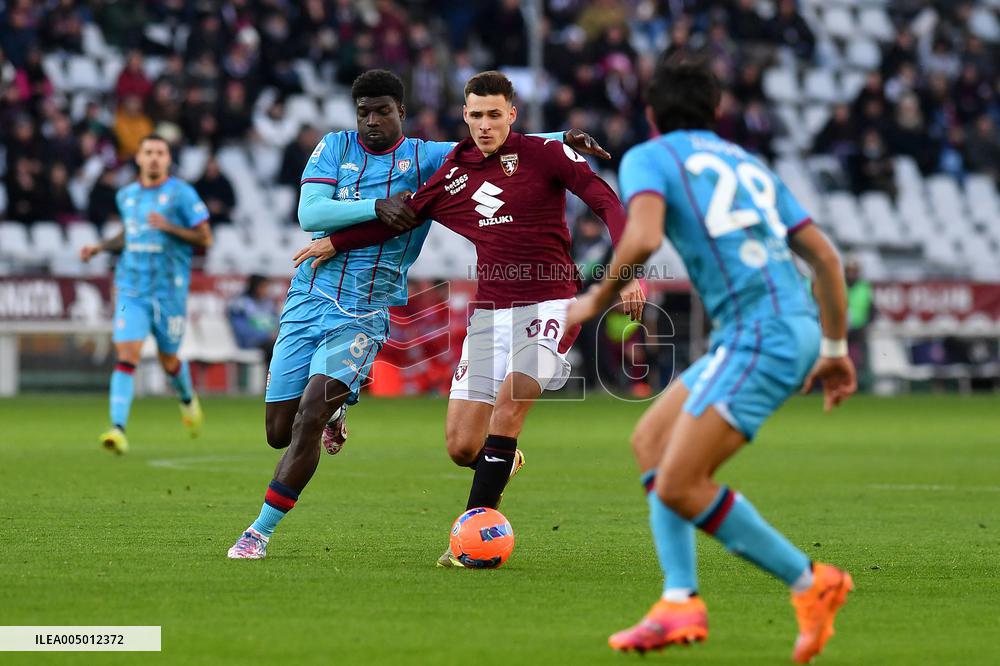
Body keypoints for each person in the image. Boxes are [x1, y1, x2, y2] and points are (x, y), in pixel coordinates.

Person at [226, 69, 608, 559]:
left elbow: (492, 140)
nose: (371, 121)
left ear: (401, 113)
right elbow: (310, 214)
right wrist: (375, 207)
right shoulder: (333, 147)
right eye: (363, 112)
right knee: (278, 431)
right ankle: (339, 408)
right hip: (309, 298)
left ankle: (258, 532)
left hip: (366, 311)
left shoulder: (427, 157)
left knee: (308, 415)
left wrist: (561, 138)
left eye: (382, 111)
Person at [563, 58, 857, 662]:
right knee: (650, 441)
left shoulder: (651, 155)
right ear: (717, 112)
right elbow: (826, 260)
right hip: (780, 329)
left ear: (651, 114)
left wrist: (593, 299)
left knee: (679, 483)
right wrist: (832, 349)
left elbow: (641, 239)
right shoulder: (748, 163)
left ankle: (811, 582)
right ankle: (678, 601)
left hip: (762, 335)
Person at [79, 134, 213, 454]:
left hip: (170, 291)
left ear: (168, 160)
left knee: (169, 361)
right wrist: (100, 247)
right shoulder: (127, 195)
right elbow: (131, 232)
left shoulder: (181, 194)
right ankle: (117, 429)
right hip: (131, 288)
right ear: (138, 158)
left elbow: (205, 238)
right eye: (148, 152)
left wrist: (169, 227)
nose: (154, 158)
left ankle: (186, 399)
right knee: (127, 356)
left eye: (160, 153)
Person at [229, 274, 280, 367]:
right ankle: (270, 380)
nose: (266, 290)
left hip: (268, 341)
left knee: (283, 346)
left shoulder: (269, 303)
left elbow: (276, 324)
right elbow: (241, 330)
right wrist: (265, 336)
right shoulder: (240, 304)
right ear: (255, 286)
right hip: (250, 342)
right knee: (274, 348)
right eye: (264, 287)